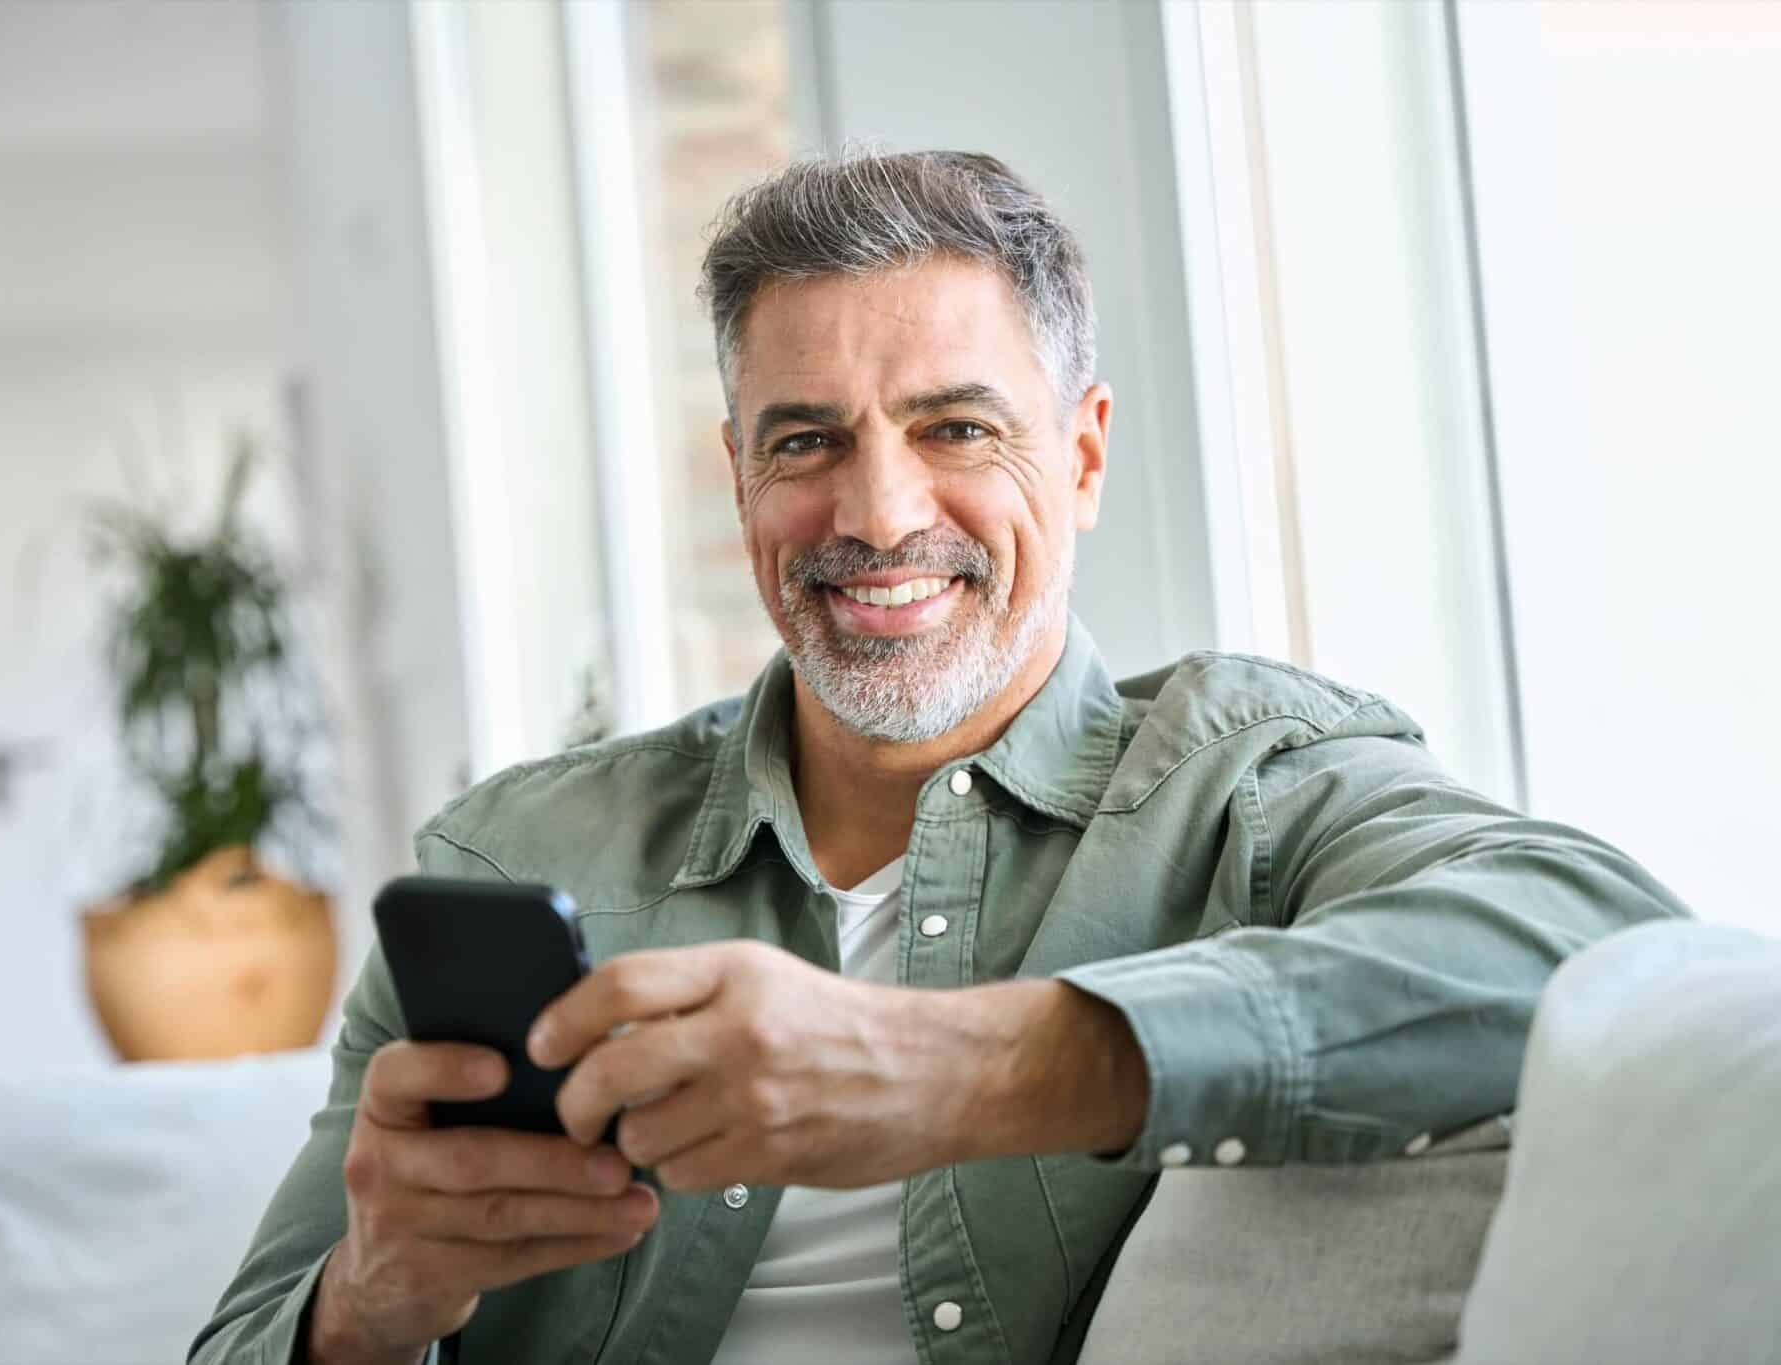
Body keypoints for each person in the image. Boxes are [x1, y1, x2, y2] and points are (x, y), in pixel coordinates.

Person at [190, 150, 1684, 1365]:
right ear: (738, 475)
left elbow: (1601, 942)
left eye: (955, 427)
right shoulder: (514, 856)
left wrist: (967, 1068)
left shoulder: (1245, 787)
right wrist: (364, 1309)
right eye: (803, 442)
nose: (880, 512)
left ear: (1083, 455)